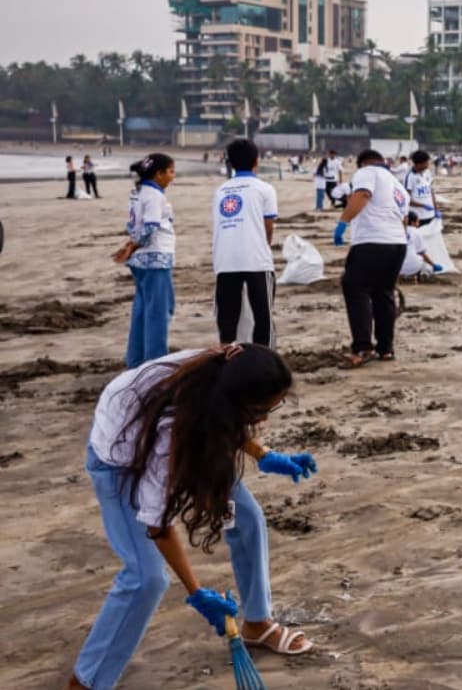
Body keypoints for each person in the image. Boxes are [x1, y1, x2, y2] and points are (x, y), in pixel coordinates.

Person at [67, 345, 317, 689]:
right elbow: (158, 525)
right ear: (236, 405)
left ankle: (257, 624)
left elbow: (225, 419)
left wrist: (263, 454)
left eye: (274, 407)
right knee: (146, 578)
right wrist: (197, 594)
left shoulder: (227, 367)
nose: (265, 420)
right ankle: (87, 682)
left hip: (172, 423)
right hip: (118, 455)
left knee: (248, 518)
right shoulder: (173, 434)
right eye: (261, 411)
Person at [332, 149, 408, 368]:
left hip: (372, 241)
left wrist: (343, 222)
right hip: (397, 243)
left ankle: (363, 347)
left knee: (355, 288)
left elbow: (362, 195)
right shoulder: (397, 184)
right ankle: (386, 348)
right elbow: (402, 218)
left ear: (362, 162)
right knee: (384, 293)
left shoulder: (367, 171)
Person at [113, 155, 178, 368]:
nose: (172, 176)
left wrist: (131, 246)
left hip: (141, 261)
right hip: (154, 259)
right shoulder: (154, 196)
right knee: (160, 310)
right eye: (170, 171)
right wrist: (132, 246)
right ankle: (155, 361)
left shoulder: (138, 192)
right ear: (158, 174)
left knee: (143, 309)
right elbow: (150, 227)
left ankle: (136, 359)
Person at [212, 139, 278, 346]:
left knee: (227, 316)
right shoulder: (264, 189)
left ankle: (226, 356)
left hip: (225, 260)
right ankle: (263, 357)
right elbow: (268, 225)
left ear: (229, 162)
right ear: (256, 161)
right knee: (263, 315)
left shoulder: (221, 190)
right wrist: (265, 244)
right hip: (256, 259)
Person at [400, 213, 445, 282]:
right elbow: (422, 253)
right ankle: (414, 278)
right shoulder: (416, 232)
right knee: (417, 261)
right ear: (412, 222)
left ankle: (401, 278)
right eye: (418, 221)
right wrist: (433, 265)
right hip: (413, 265)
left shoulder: (397, 231)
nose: (419, 224)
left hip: (397, 266)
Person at [402, 150, 440, 227]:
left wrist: (436, 209)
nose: (428, 165)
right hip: (418, 217)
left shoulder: (427, 173)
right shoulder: (410, 177)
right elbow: (407, 199)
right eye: (426, 163)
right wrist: (423, 205)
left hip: (430, 215)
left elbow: (431, 192)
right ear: (419, 164)